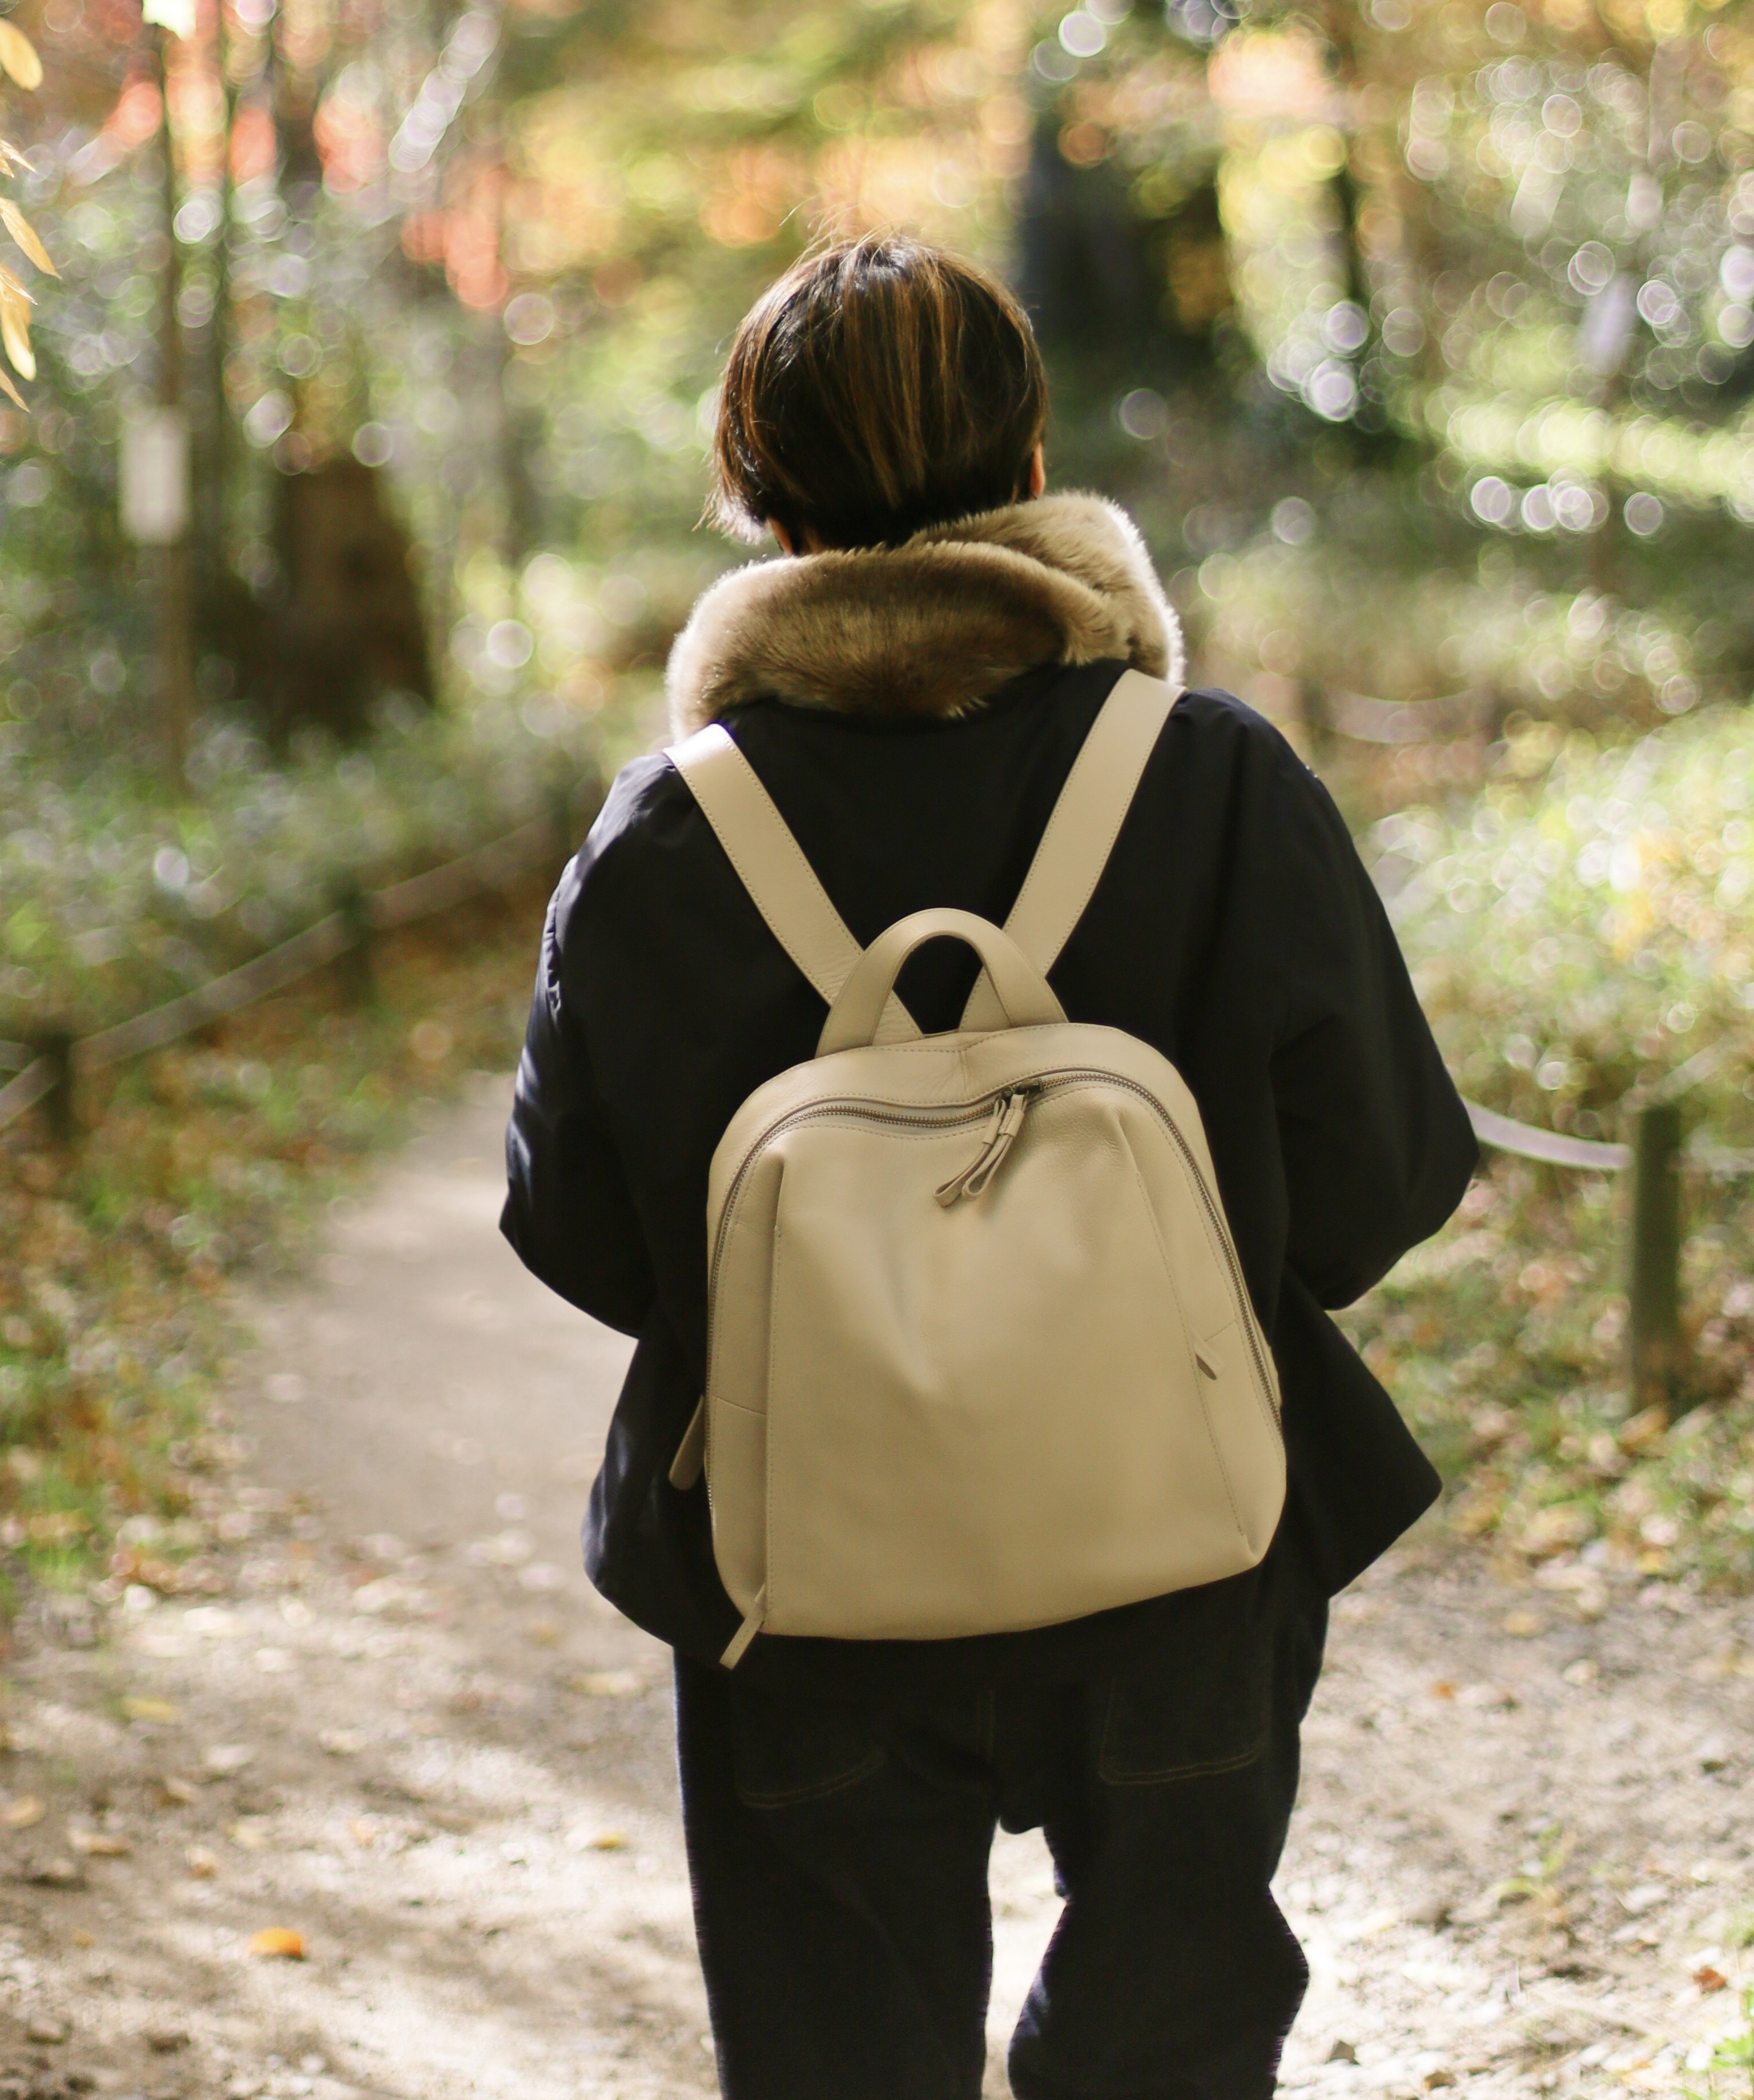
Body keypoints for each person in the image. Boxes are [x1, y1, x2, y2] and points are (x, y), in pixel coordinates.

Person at [502, 233, 1477, 2100]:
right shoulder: (1207, 779)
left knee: (836, 2054)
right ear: (1033, 472)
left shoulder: (666, 842)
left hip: (803, 1577)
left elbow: (577, 1228)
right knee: (1168, 2032)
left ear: (761, 501)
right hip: (1178, 1550)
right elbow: (1381, 1182)